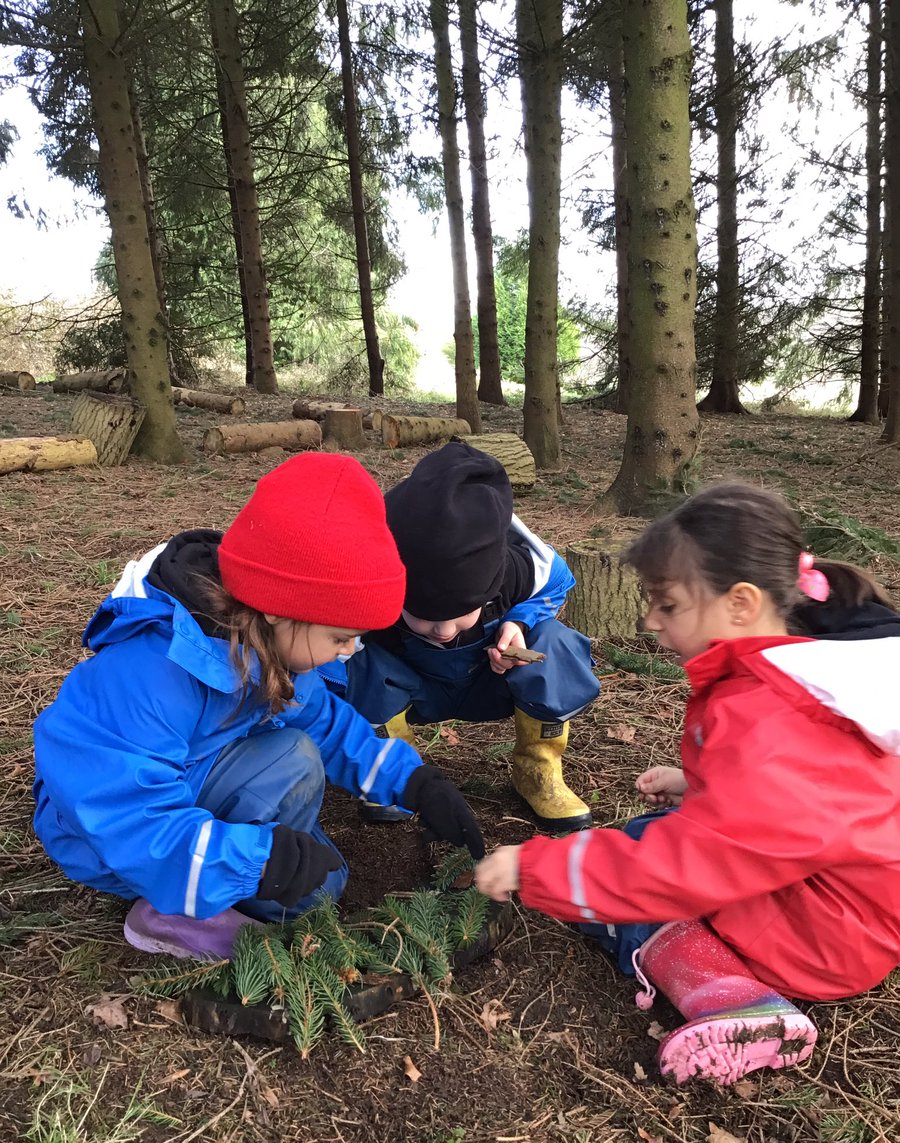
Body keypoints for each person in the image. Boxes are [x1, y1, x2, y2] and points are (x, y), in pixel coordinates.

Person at [474, 482, 900, 1086]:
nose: (650, 621)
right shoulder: (807, 667)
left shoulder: (772, 717)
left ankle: (735, 1001)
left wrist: (535, 869)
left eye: (668, 605)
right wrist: (701, 786)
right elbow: (798, 804)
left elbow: (691, 863)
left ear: (741, 604)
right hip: (839, 897)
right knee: (645, 838)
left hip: (826, 933)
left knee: (637, 899)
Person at [32, 453, 485, 961]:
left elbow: (326, 725)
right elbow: (124, 812)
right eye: (341, 637)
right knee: (291, 779)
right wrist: (254, 864)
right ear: (278, 607)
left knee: (320, 885)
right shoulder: (151, 673)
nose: (349, 652)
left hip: (192, 781)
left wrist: (411, 782)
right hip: (108, 838)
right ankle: (172, 910)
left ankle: (231, 872)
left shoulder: (274, 649)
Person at [318, 442, 601, 831]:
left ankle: (539, 772)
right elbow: (324, 659)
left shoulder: (519, 568)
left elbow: (556, 584)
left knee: (556, 642)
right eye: (424, 617)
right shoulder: (367, 587)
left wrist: (518, 623)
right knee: (360, 660)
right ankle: (393, 773)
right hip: (414, 690)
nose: (445, 631)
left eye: (460, 615)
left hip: (490, 683)